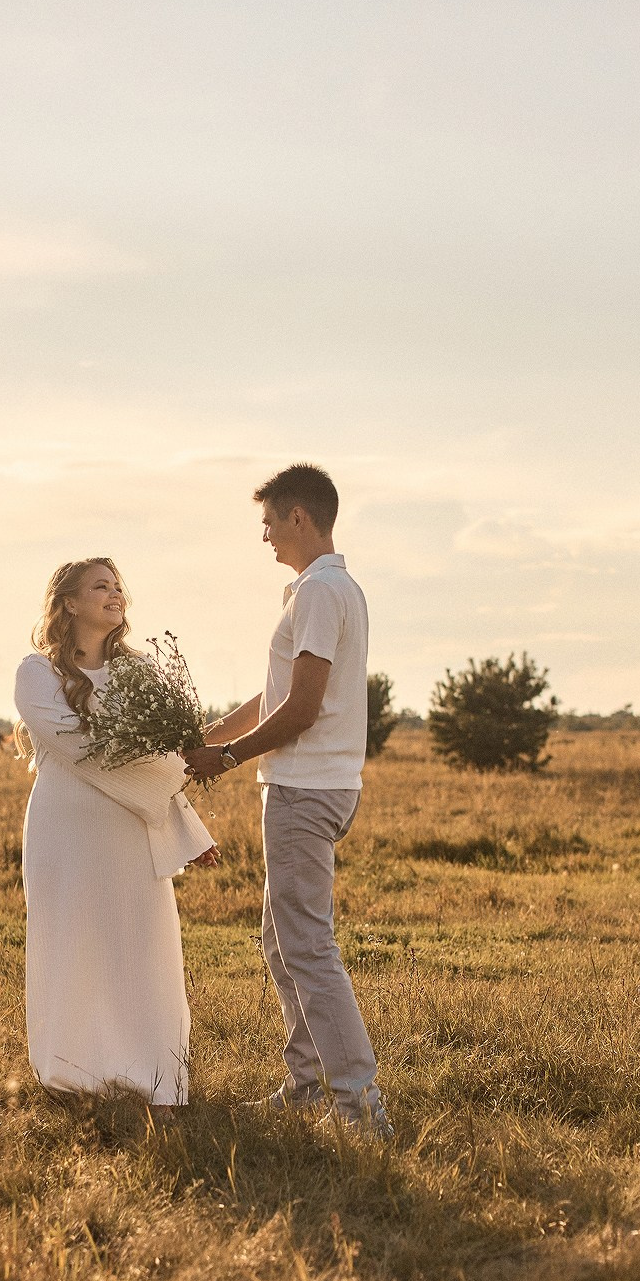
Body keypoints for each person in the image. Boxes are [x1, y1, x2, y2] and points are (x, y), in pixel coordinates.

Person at [183, 464, 392, 1139]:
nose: (265, 536)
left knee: (305, 945)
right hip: (308, 785)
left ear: (300, 517)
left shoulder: (322, 592)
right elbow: (277, 693)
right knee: (280, 941)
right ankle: (305, 1087)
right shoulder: (316, 590)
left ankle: (360, 1107)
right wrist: (209, 735)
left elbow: (301, 709)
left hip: (305, 789)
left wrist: (228, 759)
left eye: (270, 521)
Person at [14, 559, 217, 1109]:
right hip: (66, 831)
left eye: (118, 585)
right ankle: (72, 1074)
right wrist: (175, 769)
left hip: (131, 831)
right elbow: (79, 749)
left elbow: (158, 757)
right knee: (72, 943)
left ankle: (152, 1076)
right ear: (70, 604)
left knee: (139, 943)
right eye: (100, 586)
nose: (115, 594)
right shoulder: (37, 674)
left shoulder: (142, 674)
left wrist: (187, 828)